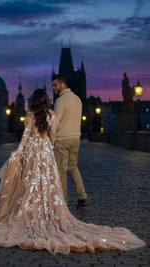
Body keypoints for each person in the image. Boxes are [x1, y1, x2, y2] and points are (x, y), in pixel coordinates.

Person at [0, 89, 145, 254]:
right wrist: (49, 149)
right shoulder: (52, 114)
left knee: (30, 183)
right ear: (46, 101)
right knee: (48, 183)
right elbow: (53, 136)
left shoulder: (30, 114)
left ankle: (30, 211)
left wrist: (19, 150)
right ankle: (47, 211)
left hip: (32, 151)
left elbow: (26, 135)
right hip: (46, 151)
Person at [52, 75, 87, 208]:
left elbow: (55, 123)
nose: (54, 88)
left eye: (55, 85)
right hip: (76, 139)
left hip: (62, 139)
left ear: (62, 84)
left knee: (61, 171)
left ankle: (63, 203)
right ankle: (82, 196)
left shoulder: (60, 101)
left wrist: (52, 140)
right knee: (73, 167)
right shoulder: (78, 99)